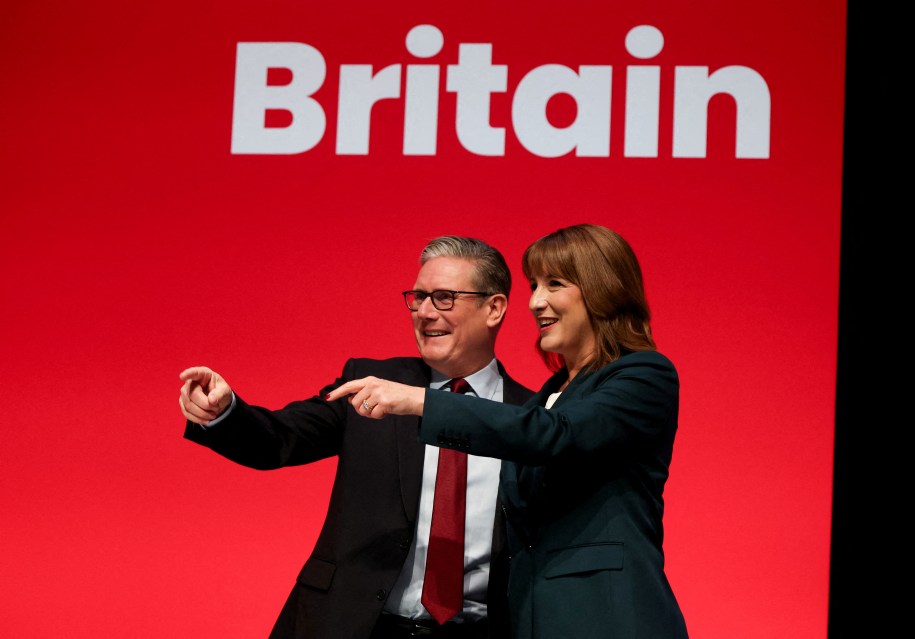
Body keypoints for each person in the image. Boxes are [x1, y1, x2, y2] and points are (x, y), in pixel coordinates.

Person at [328, 224, 689, 638]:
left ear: (603, 289)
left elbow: (559, 434)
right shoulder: (545, 399)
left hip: (608, 618)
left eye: (554, 284)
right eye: (534, 286)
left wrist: (422, 401)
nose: (535, 302)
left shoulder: (644, 374)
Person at [178, 235, 535, 639]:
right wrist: (224, 411)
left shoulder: (531, 418)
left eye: (444, 298)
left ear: (494, 308)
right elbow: (279, 439)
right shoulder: (371, 383)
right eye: (418, 297)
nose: (424, 312)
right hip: (353, 626)